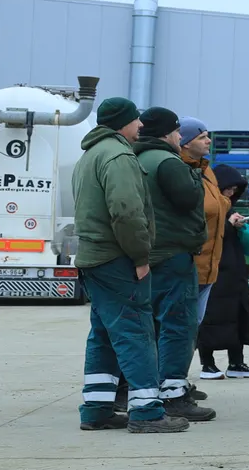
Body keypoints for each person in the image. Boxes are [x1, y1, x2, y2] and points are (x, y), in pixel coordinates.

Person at [73, 97, 183, 433]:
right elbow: (125, 211)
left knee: (105, 334)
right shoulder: (118, 155)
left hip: (93, 258)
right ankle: (147, 410)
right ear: (122, 123)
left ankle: (97, 408)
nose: (141, 126)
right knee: (136, 331)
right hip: (117, 259)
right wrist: (139, 257)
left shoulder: (90, 155)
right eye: (137, 120)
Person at [134, 107, 215, 421]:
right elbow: (187, 200)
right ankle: (173, 394)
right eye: (178, 132)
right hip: (172, 254)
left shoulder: (136, 159)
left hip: (149, 254)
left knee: (152, 323)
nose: (180, 137)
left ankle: (151, 386)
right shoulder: (168, 162)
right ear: (167, 133)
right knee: (178, 323)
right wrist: (195, 175)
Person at [198, 164, 249, 378]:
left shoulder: (233, 214)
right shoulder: (207, 212)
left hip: (236, 277)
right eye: (227, 189)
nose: (231, 194)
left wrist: (242, 228)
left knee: (239, 317)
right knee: (210, 319)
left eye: (235, 190)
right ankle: (207, 364)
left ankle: (237, 363)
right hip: (212, 275)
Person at [180, 117, 224, 328]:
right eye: (202, 137)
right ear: (186, 142)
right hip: (189, 268)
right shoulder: (179, 170)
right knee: (180, 329)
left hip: (208, 269)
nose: (209, 141)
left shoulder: (206, 170)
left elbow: (217, 202)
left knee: (193, 327)